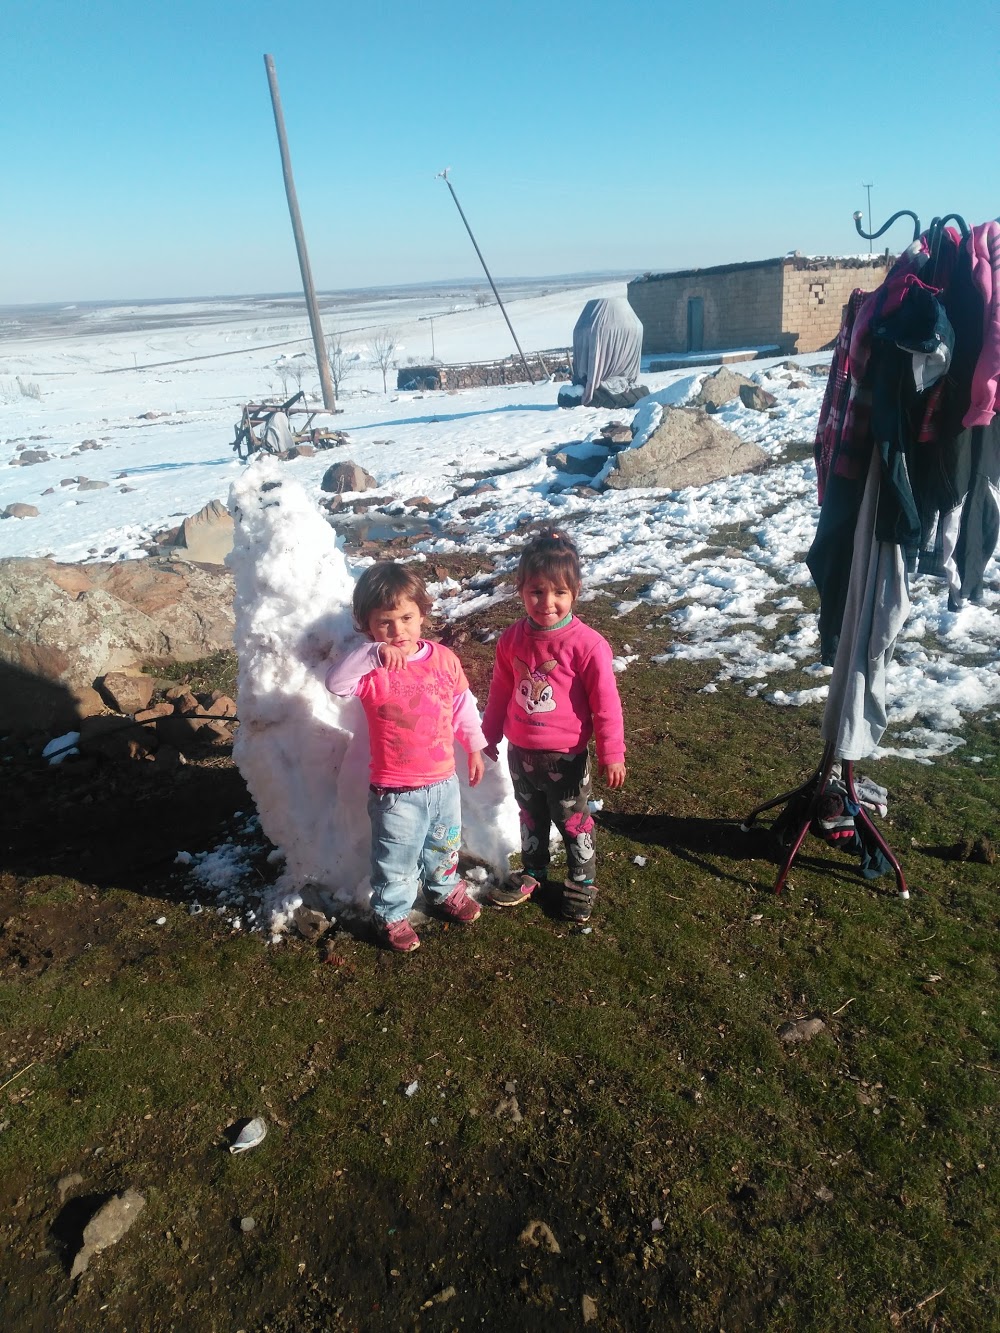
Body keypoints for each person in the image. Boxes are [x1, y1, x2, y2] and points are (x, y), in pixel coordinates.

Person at [325, 561, 486, 952]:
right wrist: (372, 653)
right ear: (366, 625)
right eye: (385, 623)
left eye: (407, 618)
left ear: (422, 614)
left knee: (443, 843)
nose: (398, 631)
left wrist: (475, 745)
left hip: (443, 779)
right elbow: (336, 684)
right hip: (395, 790)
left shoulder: (444, 659)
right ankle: (391, 914)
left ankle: (443, 889)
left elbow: (462, 703)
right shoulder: (372, 668)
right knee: (395, 857)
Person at [481, 530, 626, 923]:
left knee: (573, 822)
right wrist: (489, 735)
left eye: (559, 593)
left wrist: (613, 753)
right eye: (537, 592)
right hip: (521, 754)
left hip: (566, 759)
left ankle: (582, 881)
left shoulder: (588, 645)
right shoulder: (512, 638)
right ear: (521, 590)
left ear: (575, 591)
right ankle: (534, 872)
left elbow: (606, 705)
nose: (547, 603)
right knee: (530, 816)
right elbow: (500, 691)